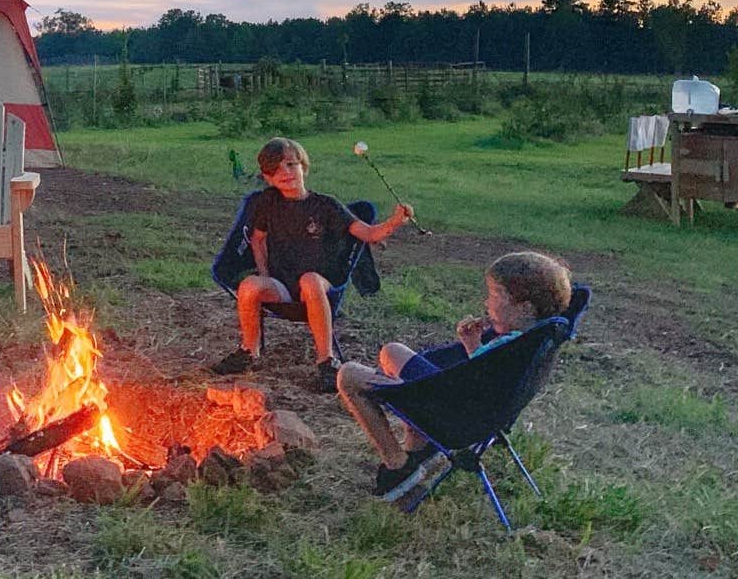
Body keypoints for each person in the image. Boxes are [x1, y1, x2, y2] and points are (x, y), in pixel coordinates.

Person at [336, 250, 573, 502]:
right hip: (481, 413)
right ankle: (419, 446)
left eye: (495, 295)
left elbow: (475, 377)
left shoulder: (510, 345)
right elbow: (482, 371)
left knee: (352, 373)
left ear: (524, 308)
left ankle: (399, 467)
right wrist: (472, 343)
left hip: (454, 416)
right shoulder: (528, 342)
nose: (486, 303)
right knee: (393, 356)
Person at [209, 136, 415, 392]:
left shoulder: (326, 205)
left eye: (290, 165)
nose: (284, 173)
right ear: (268, 178)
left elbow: (368, 233)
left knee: (309, 279)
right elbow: (258, 239)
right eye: (275, 170)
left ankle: (327, 361)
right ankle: (249, 351)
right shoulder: (267, 203)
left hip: (320, 285)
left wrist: (394, 222)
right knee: (250, 286)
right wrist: (265, 274)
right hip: (283, 286)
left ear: (303, 166)